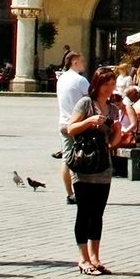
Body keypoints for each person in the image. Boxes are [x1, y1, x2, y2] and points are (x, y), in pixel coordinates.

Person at [63, 67, 123, 275]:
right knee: (84, 211)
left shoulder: (113, 109)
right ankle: (83, 258)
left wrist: (117, 132)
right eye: (106, 84)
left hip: (103, 166)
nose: (109, 88)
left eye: (112, 84)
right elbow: (70, 129)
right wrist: (89, 121)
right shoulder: (86, 103)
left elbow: (113, 143)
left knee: (98, 213)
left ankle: (95, 257)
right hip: (83, 165)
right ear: (97, 84)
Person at [54, 51, 88, 204]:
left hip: (63, 123)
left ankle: (69, 193)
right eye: (82, 61)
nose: (84, 64)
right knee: (82, 159)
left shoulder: (60, 79)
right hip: (78, 124)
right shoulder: (80, 80)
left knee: (67, 160)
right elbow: (91, 100)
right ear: (74, 62)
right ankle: (82, 191)